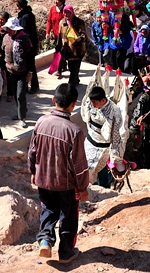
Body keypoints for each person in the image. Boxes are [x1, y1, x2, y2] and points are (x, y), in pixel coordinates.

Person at [29, 83, 88, 264]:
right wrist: (83, 187)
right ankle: (66, 253)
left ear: (53, 100)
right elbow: (79, 165)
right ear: (73, 104)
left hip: (43, 179)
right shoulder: (75, 132)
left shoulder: (40, 122)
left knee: (48, 209)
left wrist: (33, 171)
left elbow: (32, 150)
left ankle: (45, 240)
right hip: (66, 184)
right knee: (68, 216)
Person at [81, 86, 124, 187]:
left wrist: (115, 154)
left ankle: (103, 189)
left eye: (95, 103)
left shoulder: (114, 111)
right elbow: (86, 116)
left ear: (103, 100)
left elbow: (116, 134)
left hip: (104, 147)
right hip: (89, 142)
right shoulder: (91, 104)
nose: (93, 105)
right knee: (86, 169)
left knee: (100, 169)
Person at [3, 17, 32, 127]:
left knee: (20, 95)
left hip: (22, 72)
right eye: (8, 28)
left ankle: (22, 117)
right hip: (10, 72)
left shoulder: (24, 39)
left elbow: (30, 56)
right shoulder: (6, 38)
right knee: (15, 94)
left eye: (11, 28)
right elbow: (3, 51)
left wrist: (30, 72)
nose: (9, 31)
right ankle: (22, 110)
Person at [58, 5, 87, 87]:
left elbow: (83, 34)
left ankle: (71, 84)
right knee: (71, 68)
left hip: (77, 50)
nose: (67, 15)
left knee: (74, 68)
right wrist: (58, 46)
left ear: (72, 12)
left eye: (68, 13)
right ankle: (76, 79)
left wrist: (79, 39)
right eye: (65, 13)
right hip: (67, 50)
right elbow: (60, 36)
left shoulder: (79, 22)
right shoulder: (62, 23)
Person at [16, 0, 40, 94]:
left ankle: (34, 85)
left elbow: (23, 30)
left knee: (30, 65)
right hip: (29, 43)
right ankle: (26, 86)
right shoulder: (25, 14)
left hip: (29, 44)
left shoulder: (26, 16)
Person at [46, 0, 66, 77]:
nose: (55, 1)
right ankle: (63, 65)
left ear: (62, 1)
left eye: (57, 0)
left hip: (64, 36)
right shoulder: (52, 9)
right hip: (55, 36)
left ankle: (59, 70)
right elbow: (49, 21)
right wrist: (47, 32)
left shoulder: (66, 9)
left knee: (60, 52)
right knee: (58, 51)